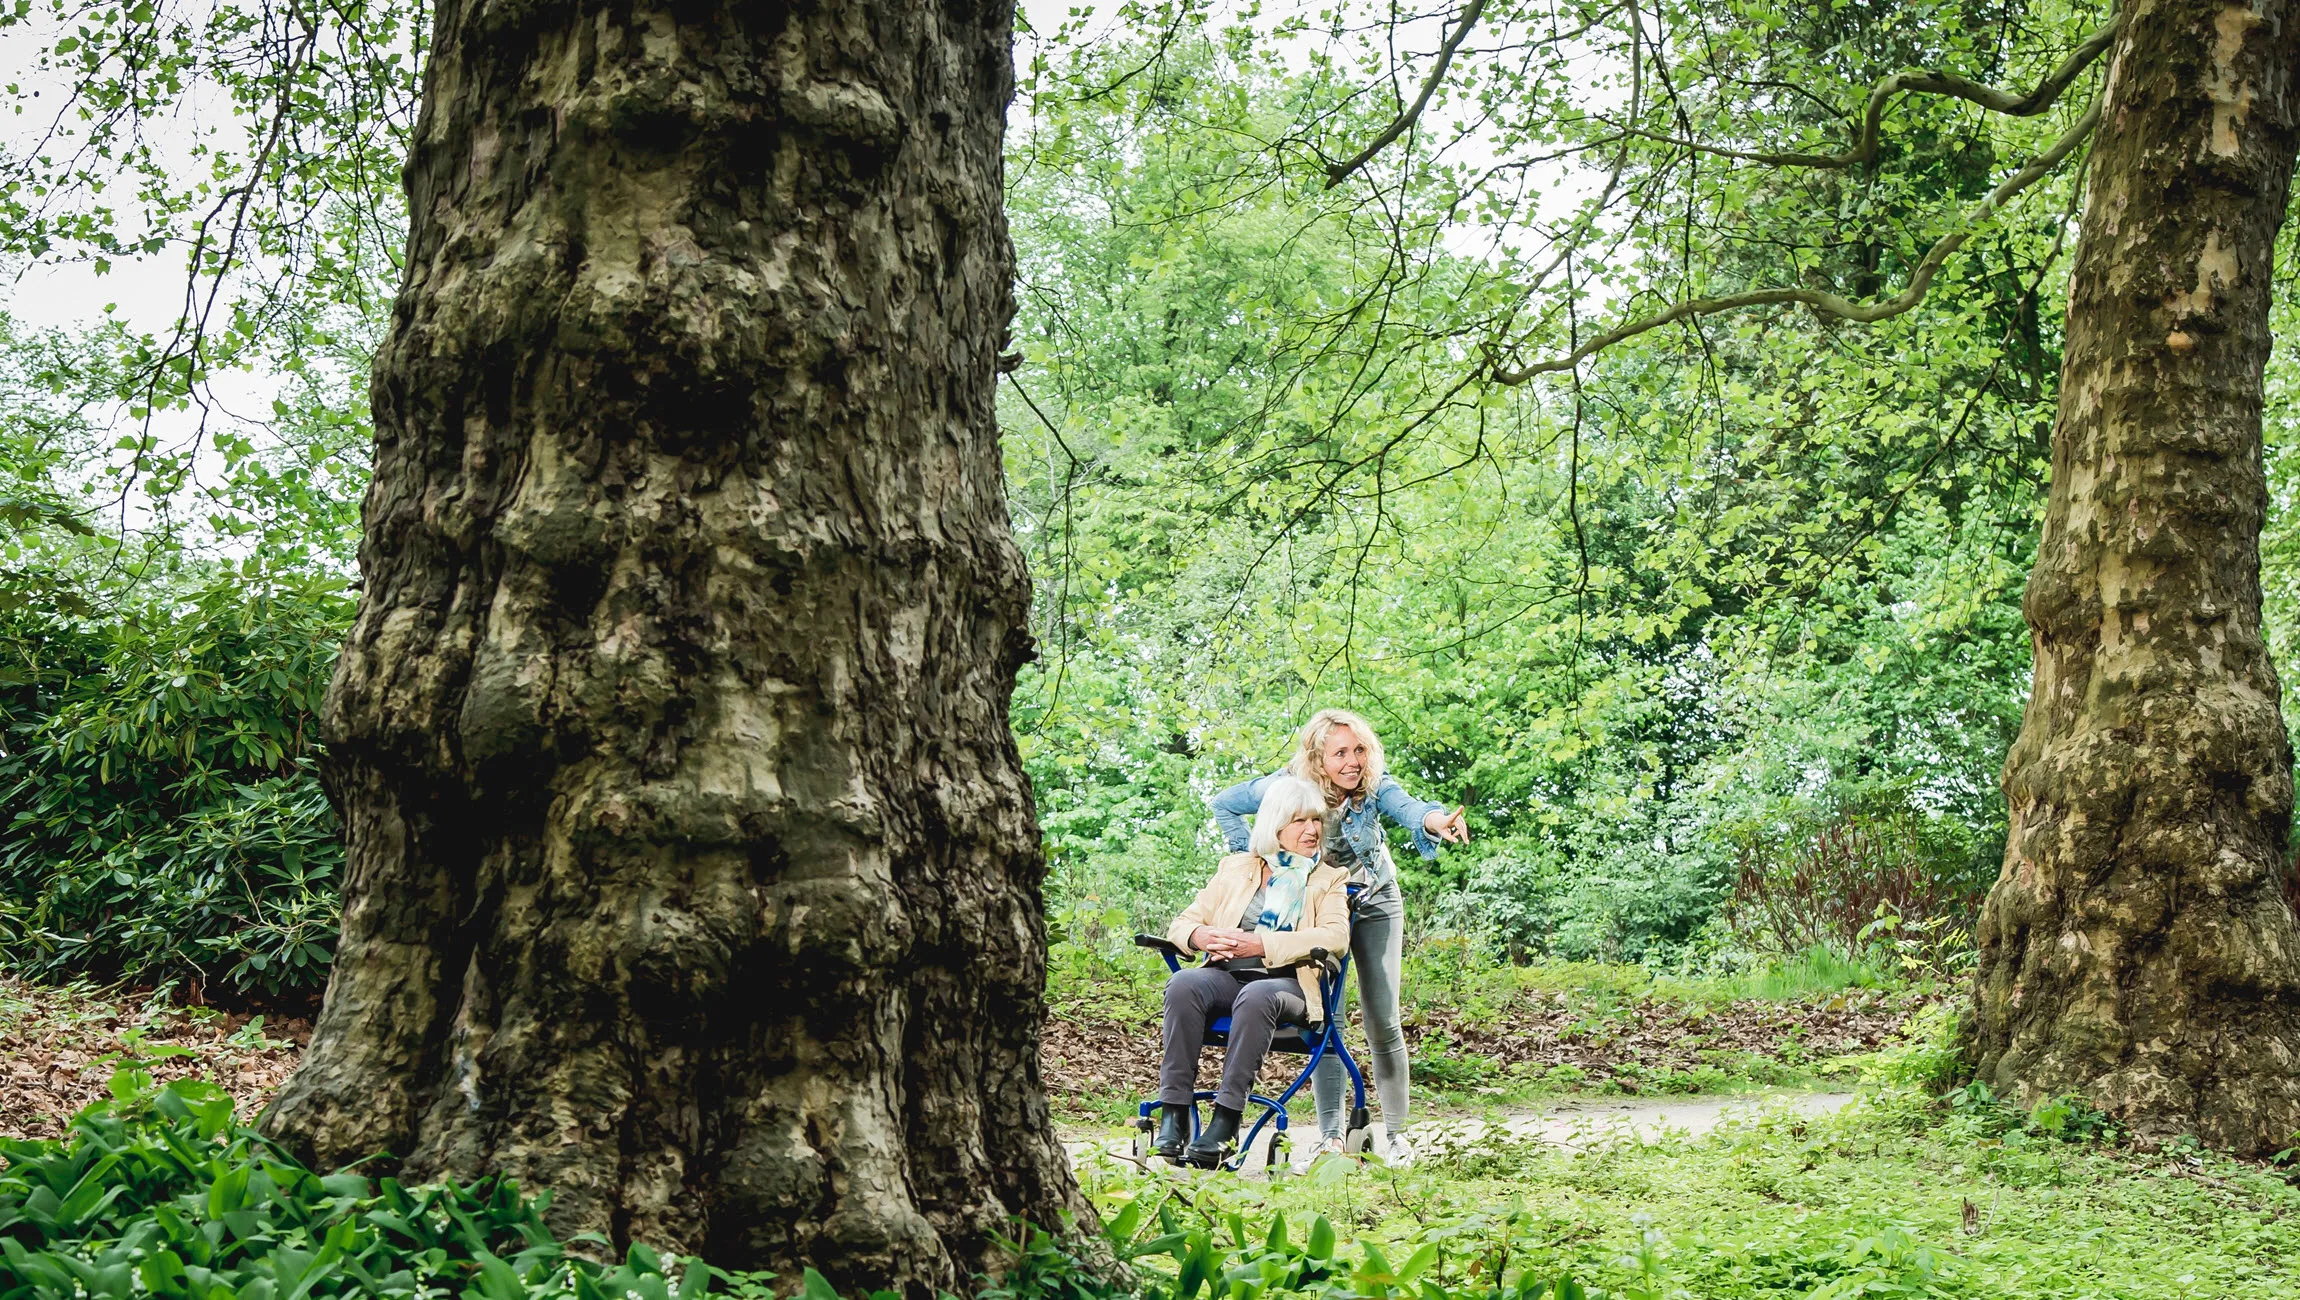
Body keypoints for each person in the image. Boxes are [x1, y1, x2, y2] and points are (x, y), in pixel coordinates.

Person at [1209, 709, 1469, 1168]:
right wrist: (1248, 859)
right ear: (1316, 758)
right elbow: (1225, 803)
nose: (1354, 762)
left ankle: (1397, 1137)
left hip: (1375, 901)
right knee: (1327, 1020)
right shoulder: (1285, 788)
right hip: (1321, 905)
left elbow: (1407, 806)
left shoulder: (1373, 784)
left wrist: (1434, 821)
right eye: (1341, 753)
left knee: (1382, 1019)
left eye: (1361, 750)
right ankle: (1329, 1136)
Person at [1155, 776, 1351, 1168]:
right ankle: (1173, 1113)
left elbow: (1336, 937)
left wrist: (1261, 944)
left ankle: (1226, 1121)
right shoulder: (1236, 868)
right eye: (1299, 821)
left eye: (1316, 821)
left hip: (1289, 983)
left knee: (1258, 995)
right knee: (1183, 983)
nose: (1312, 830)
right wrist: (1201, 934)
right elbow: (1182, 924)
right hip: (1228, 975)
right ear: (1274, 825)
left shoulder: (1329, 878)